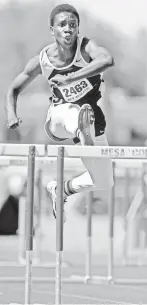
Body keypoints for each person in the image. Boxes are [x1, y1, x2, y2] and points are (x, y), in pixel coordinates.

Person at [5, 4, 114, 219]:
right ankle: (82, 130)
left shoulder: (87, 48)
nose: (68, 29)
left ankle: (62, 189)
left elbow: (107, 60)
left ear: (77, 29)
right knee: (73, 111)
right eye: (62, 25)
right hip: (58, 119)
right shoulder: (43, 60)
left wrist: (74, 77)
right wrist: (11, 114)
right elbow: (14, 89)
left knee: (104, 181)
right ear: (52, 30)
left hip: (92, 122)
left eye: (72, 25)